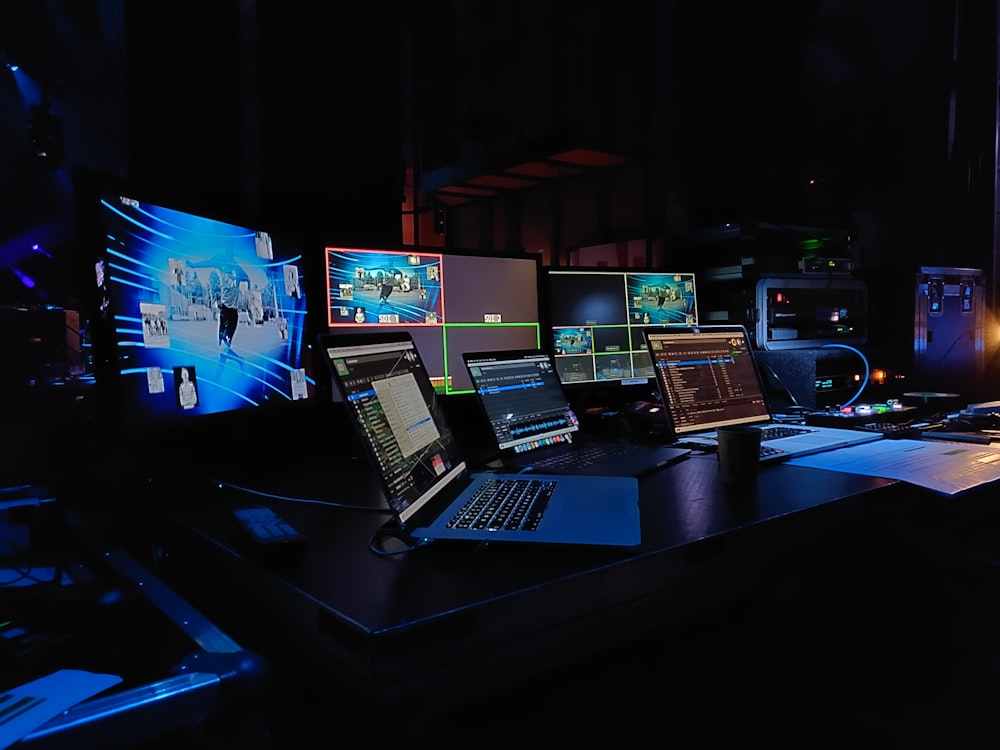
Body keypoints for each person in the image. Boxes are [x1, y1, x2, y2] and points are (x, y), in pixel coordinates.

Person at [188, 245, 250, 364]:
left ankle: (227, 342)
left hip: (234, 307)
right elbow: (207, 263)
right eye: (227, 251)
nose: (228, 255)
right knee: (223, 324)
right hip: (225, 305)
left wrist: (250, 293)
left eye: (230, 252)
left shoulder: (237, 267)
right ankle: (222, 339)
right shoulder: (221, 261)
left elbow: (246, 277)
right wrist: (193, 265)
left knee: (233, 323)